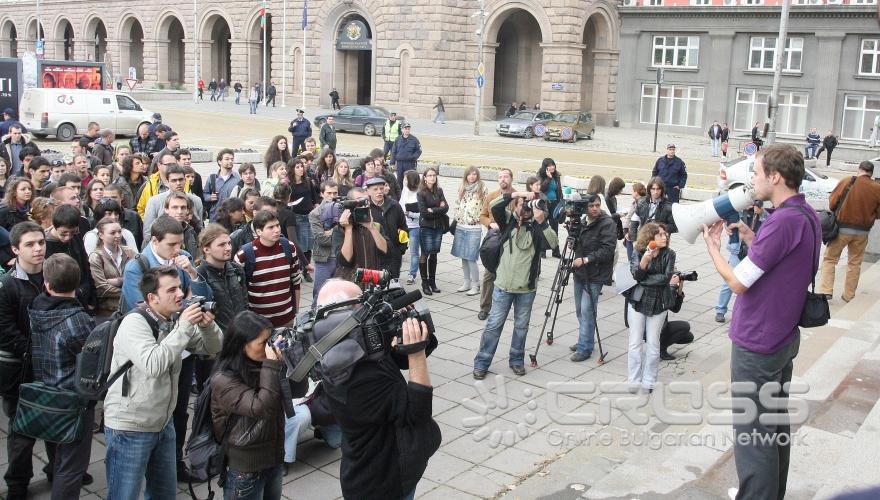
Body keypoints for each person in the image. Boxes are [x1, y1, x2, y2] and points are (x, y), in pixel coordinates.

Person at [702, 144, 820, 499]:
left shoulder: (782, 221)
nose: (752, 180)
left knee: (753, 436)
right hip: (782, 338)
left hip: (758, 342)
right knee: (773, 427)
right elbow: (786, 263)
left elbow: (738, 282)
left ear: (775, 177)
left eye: (755, 173)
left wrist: (713, 250)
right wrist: (755, 239)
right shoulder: (805, 215)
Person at [103, 265, 222, 499]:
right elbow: (154, 365)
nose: (180, 294)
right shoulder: (134, 323)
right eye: (172, 290)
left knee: (164, 494)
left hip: (162, 423)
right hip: (130, 427)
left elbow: (214, 346)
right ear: (152, 298)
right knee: (123, 495)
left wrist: (208, 327)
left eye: (180, 287)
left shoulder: (172, 320)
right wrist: (186, 326)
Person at [315, 279, 440, 500]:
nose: (369, 308)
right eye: (362, 304)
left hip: (384, 468)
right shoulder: (357, 377)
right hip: (383, 482)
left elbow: (397, 361)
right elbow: (417, 413)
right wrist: (416, 353)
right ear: (344, 318)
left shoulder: (347, 348)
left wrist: (399, 326)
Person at [29, 254, 96, 499]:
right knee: (71, 467)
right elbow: (91, 358)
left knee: (58, 457)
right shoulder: (77, 320)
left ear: (47, 284)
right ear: (77, 285)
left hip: (44, 393)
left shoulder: (37, 305)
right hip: (71, 402)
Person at [473, 190, 558, 379]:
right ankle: (482, 362)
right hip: (503, 286)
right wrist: (517, 194)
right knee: (494, 326)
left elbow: (553, 244)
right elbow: (494, 205)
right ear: (515, 206)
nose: (526, 208)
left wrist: (542, 220)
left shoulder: (537, 227)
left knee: (521, 326)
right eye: (522, 204)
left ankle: (517, 360)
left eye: (528, 205)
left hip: (526, 289)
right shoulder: (509, 221)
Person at [0, 222, 55, 500]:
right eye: (30, 244)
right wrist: (36, 352)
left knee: (56, 420)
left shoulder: (52, 277)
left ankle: (58, 470)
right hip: (20, 372)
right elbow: (5, 330)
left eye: (41, 243)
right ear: (15, 249)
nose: (38, 249)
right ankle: (18, 484)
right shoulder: (8, 285)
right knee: (21, 432)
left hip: (52, 368)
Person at [211, 311, 288, 500]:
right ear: (241, 345)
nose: (268, 347)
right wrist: (271, 365)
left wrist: (288, 362)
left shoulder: (263, 364)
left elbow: (299, 389)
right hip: (245, 470)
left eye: (270, 340)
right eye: (263, 343)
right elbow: (261, 408)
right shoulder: (223, 379)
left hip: (274, 459)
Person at [625, 222, 676, 393]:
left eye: (665, 234)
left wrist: (644, 279)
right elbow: (635, 275)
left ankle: (649, 381)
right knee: (635, 342)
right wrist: (645, 260)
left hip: (659, 302)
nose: (665, 236)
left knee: (653, 344)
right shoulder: (639, 252)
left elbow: (665, 278)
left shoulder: (669, 254)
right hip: (638, 301)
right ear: (650, 237)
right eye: (660, 234)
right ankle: (633, 380)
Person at [820, 161, 880, 302]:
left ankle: (826, 291)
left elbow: (833, 202)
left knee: (830, 259)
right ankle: (848, 295)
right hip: (863, 232)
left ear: (859, 170)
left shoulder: (848, 181)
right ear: (871, 173)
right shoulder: (877, 188)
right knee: (854, 263)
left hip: (841, 229)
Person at [568, 194, 616, 362]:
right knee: (580, 310)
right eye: (591, 206)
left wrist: (587, 259)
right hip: (580, 273)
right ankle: (585, 338)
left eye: (597, 205)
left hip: (595, 274)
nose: (595, 208)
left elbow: (608, 250)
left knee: (588, 310)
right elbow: (579, 245)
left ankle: (585, 348)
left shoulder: (607, 223)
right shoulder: (582, 222)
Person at [235, 211, 303, 327]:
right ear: (259, 232)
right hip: (258, 323)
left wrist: (295, 311)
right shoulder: (244, 254)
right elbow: (237, 290)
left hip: (287, 319)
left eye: (277, 225)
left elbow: (296, 281)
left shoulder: (289, 247)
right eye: (270, 227)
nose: (276, 230)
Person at [715, 203, 766, 323]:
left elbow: (767, 229)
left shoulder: (764, 216)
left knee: (751, 285)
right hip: (737, 252)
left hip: (753, 254)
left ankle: (747, 312)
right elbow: (728, 223)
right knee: (728, 283)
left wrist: (761, 213)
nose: (751, 205)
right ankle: (720, 310)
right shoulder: (737, 212)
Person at [477, 168, 515, 320]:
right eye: (500, 177)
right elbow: (482, 216)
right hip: (493, 241)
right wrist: (490, 224)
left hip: (511, 242)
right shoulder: (491, 196)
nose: (502, 179)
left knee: (508, 274)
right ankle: (485, 307)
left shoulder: (517, 196)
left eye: (505, 176)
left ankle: (504, 306)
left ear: (511, 179)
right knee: (489, 274)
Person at [45, 204, 96, 313]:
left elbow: (85, 265)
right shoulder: (45, 245)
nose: (68, 237)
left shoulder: (76, 237)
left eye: (72, 233)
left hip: (83, 295)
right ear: (54, 226)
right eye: (63, 234)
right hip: (62, 302)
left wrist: (92, 296)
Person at [89, 216, 137, 322]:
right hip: (107, 313)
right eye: (112, 233)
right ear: (101, 235)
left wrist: (118, 281)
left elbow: (141, 276)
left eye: (119, 231)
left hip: (129, 309)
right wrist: (130, 290)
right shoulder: (96, 257)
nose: (118, 235)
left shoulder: (129, 252)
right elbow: (101, 288)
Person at [335, 187, 388, 282]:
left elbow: (385, 252)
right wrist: (348, 229)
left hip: (373, 280)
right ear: (350, 204)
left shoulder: (376, 226)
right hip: (351, 283)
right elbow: (346, 261)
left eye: (366, 201)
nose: (364, 206)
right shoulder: (340, 229)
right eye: (360, 202)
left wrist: (371, 228)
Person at [142, 164, 203, 242]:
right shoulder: (154, 201)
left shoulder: (196, 201)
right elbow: (148, 233)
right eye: (174, 180)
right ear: (167, 182)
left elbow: (199, 228)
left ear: (185, 180)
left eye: (181, 180)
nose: (178, 183)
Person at [451, 167, 487, 295]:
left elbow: (486, 206)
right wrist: (458, 216)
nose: (472, 176)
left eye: (474, 174)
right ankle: (466, 282)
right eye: (469, 174)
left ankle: (475, 285)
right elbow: (457, 203)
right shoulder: (462, 188)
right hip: (461, 226)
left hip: (474, 228)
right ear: (466, 176)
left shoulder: (482, 188)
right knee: (463, 256)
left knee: (471, 257)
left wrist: (478, 219)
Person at [367, 176, 407, 279]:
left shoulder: (394, 205)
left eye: (381, 188)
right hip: (374, 255)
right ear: (368, 191)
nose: (379, 192)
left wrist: (402, 248)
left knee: (393, 283)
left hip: (394, 254)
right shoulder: (365, 208)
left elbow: (403, 228)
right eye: (375, 189)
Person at [309, 180, 343, 300]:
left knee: (340, 295)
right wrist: (339, 232)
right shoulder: (315, 213)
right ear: (322, 194)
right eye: (329, 193)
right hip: (324, 259)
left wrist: (332, 232)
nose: (332, 196)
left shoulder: (343, 210)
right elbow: (321, 240)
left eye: (335, 193)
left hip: (342, 258)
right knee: (320, 293)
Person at [417, 167, 447, 295]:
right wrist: (437, 209)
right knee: (425, 253)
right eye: (429, 175)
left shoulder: (439, 191)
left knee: (434, 253)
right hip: (426, 227)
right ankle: (425, 283)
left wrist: (433, 210)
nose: (432, 177)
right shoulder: (421, 193)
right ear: (424, 178)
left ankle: (432, 282)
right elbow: (424, 212)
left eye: (434, 175)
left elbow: (446, 207)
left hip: (438, 226)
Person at [661, 273, 695, 360]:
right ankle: (661, 349)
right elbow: (666, 304)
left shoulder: (667, 286)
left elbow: (675, 309)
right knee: (685, 326)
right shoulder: (659, 286)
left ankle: (660, 345)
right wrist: (672, 286)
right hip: (655, 326)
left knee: (688, 337)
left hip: (662, 325)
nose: (675, 277)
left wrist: (679, 289)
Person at [203, 148, 240, 220]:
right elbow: (205, 194)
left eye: (232, 159)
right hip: (215, 217)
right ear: (219, 161)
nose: (230, 161)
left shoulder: (238, 178)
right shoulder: (212, 178)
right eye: (227, 159)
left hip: (232, 218)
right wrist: (210, 197)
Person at [400, 170, 422, 285]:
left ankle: (412, 274)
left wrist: (410, 214)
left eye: (405, 179)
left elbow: (423, 214)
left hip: (415, 227)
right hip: (403, 225)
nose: (403, 181)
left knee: (414, 252)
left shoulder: (419, 194)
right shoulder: (404, 191)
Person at [538, 158, 563, 258]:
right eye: (550, 165)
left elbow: (559, 189)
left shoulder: (557, 176)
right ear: (545, 167)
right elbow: (541, 189)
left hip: (555, 204)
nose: (552, 167)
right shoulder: (540, 175)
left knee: (554, 227)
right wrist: (548, 178)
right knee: (544, 227)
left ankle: (555, 251)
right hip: (544, 204)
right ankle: (542, 251)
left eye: (553, 165)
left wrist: (561, 202)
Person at [390, 123, 422, 189]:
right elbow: (393, 151)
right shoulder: (398, 139)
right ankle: (400, 195)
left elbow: (419, 151)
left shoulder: (414, 140)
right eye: (405, 129)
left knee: (410, 180)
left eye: (408, 129)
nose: (407, 130)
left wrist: (413, 157)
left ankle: (411, 193)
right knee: (399, 180)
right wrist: (392, 163)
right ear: (402, 130)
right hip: (399, 164)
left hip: (410, 164)